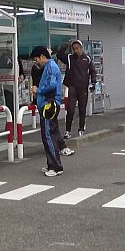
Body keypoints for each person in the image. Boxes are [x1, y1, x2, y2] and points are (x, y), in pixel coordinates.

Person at [31, 46, 74, 178]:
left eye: (36, 59)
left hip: (48, 105)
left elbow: (51, 85)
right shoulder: (51, 66)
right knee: (52, 134)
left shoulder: (50, 67)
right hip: (50, 104)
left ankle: (55, 166)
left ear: (42, 56)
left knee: (48, 136)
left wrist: (38, 90)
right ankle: (52, 164)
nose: (37, 62)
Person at [57, 40, 97, 139]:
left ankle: (81, 129)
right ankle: (67, 131)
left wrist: (93, 83)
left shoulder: (87, 58)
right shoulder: (70, 58)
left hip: (83, 87)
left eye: (77, 48)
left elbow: (93, 71)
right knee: (70, 110)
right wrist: (66, 44)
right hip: (72, 87)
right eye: (74, 48)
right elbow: (59, 55)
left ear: (81, 48)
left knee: (82, 109)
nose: (75, 50)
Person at [0, 46, 25, 118]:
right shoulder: (3, 58)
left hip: (16, 85)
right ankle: (11, 120)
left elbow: (21, 70)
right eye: (9, 49)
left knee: (16, 103)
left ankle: (15, 119)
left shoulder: (17, 58)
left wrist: (22, 75)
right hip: (7, 85)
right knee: (10, 104)